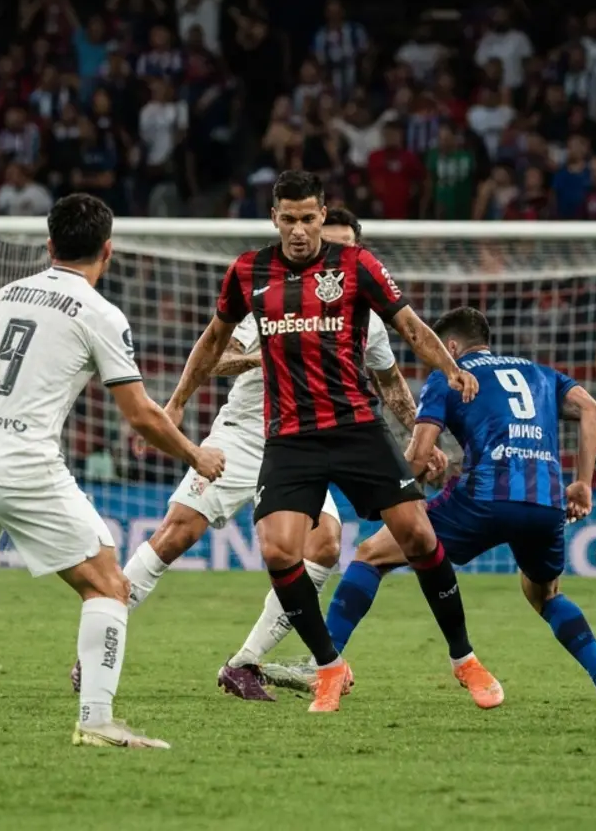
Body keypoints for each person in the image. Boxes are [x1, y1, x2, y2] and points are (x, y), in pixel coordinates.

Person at [165, 170, 500, 714]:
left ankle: (465, 658)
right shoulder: (249, 271)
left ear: (323, 215)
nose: (299, 229)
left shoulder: (355, 267)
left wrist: (449, 367)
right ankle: (328, 664)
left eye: (309, 217)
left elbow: (411, 328)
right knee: (278, 549)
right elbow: (212, 340)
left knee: (416, 535)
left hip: (353, 427)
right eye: (288, 218)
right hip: (290, 436)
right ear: (274, 218)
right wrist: (178, 401)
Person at [72, 207, 437, 702]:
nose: (317, 247)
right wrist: (266, 347)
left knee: (325, 544)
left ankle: (243, 663)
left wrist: (422, 436)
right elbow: (218, 357)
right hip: (245, 432)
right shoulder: (273, 293)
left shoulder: (368, 318)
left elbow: (390, 384)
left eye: (337, 243)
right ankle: (99, 644)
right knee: (177, 533)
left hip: (305, 442)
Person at [0, 193, 224, 750]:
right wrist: (197, 455)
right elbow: (140, 414)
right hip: (22, 460)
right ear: (108, 251)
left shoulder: (0, 296)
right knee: (109, 585)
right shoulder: (99, 313)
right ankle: (97, 720)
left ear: (49, 245)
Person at [323, 305, 596, 704]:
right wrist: (582, 482)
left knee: (372, 554)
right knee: (545, 594)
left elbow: (420, 456)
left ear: (450, 345)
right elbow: (595, 411)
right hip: (545, 502)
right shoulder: (541, 373)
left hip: (485, 499)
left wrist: (389, 489)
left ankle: (323, 661)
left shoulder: (449, 375)